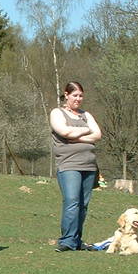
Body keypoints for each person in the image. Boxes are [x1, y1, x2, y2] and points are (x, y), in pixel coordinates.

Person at [50, 81, 102, 251]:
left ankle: (77, 240)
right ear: (66, 95)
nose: (78, 99)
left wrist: (76, 137)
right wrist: (86, 130)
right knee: (72, 201)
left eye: (80, 95)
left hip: (89, 165)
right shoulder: (57, 113)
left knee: (83, 204)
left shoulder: (86, 115)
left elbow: (98, 134)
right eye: (75, 95)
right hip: (69, 164)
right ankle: (67, 241)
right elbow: (64, 132)